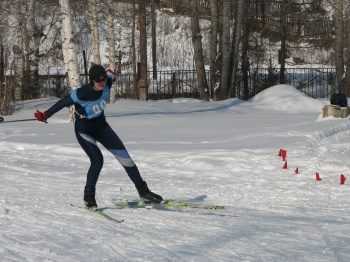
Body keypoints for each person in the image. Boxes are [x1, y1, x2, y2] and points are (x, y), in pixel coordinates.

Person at [34, 64, 163, 208]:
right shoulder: (82, 93)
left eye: (103, 79)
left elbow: (110, 74)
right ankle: (89, 197)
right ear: (92, 80)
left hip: (101, 126)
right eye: (98, 80)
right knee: (97, 160)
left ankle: (143, 192)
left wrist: (111, 72)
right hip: (84, 129)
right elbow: (61, 103)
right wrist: (45, 115)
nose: (102, 82)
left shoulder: (107, 81)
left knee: (126, 159)